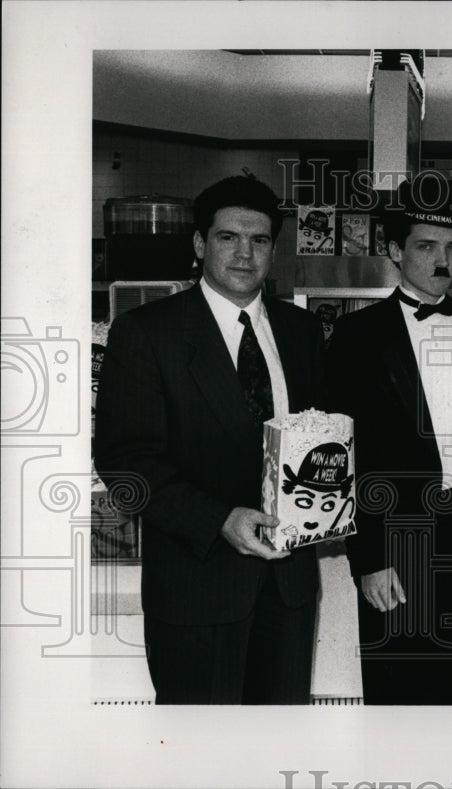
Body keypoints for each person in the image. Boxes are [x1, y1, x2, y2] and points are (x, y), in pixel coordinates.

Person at [94, 175, 326, 704]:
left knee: (277, 756)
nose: (245, 254)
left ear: (273, 248)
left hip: (288, 593)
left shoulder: (301, 332)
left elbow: (318, 440)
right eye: (228, 238)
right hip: (195, 591)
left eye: (260, 240)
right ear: (199, 245)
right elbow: (125, 463)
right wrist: (219, 519)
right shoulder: (147, 333)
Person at [327, 197, 452, 704]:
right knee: (394, 693)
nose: (442, 261)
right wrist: (368, 558)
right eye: (427, 246)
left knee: (449, 688)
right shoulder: (355, 335)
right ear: (394, 250)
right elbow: (346, 457)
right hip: (394, 533)